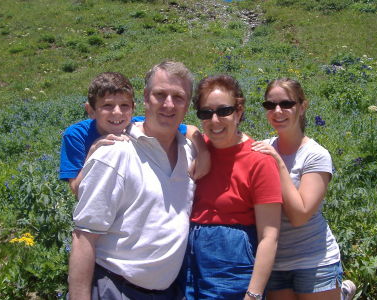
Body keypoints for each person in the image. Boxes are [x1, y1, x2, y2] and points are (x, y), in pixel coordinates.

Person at [68, 61, 198, 299]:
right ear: (147, 98)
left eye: (178, 97)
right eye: (160, 94)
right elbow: (84, 236)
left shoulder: (191, 154)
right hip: (115, 289)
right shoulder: (114, 153)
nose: (169, 104)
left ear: (187, 104)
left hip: (169, 291)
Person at [180, 75, 283, 300]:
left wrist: (253, 294)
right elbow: (157, 119)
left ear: (238, 112)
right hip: (187, 262)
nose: (214, 120)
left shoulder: (259, 160)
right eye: (206, 113)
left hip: (232, 264)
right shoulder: (196, 148)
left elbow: (269, 236)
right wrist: (200, 144)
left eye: (223, 111)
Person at [251, 78, 355, 300]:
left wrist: (278, 163)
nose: (277, 111)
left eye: (286, 104)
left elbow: (299, 215)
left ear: (302, 106)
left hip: (315, 260)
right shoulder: (263, 147)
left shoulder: (315, 155)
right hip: (275, 261)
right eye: (270, 105)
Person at [59, 71, 209, 195]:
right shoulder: (76, 135)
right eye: (107, 105)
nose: (117, 113)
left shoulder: (136, 124)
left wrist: (203, 152)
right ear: (91, 110)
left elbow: (190, 130)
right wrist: (92, 153)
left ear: (133, 108)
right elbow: (77, 190)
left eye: (124, 105)